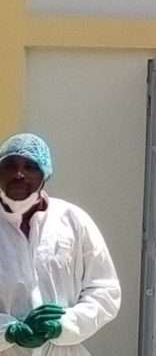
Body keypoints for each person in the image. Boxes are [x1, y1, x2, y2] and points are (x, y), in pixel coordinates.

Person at [0, 133, 121, 355]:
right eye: (10, 166)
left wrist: (64, 325)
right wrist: (7, 332)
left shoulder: (73, 220)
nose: (19, 174)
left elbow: (105, 290)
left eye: (30, 167)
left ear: (45, 174)